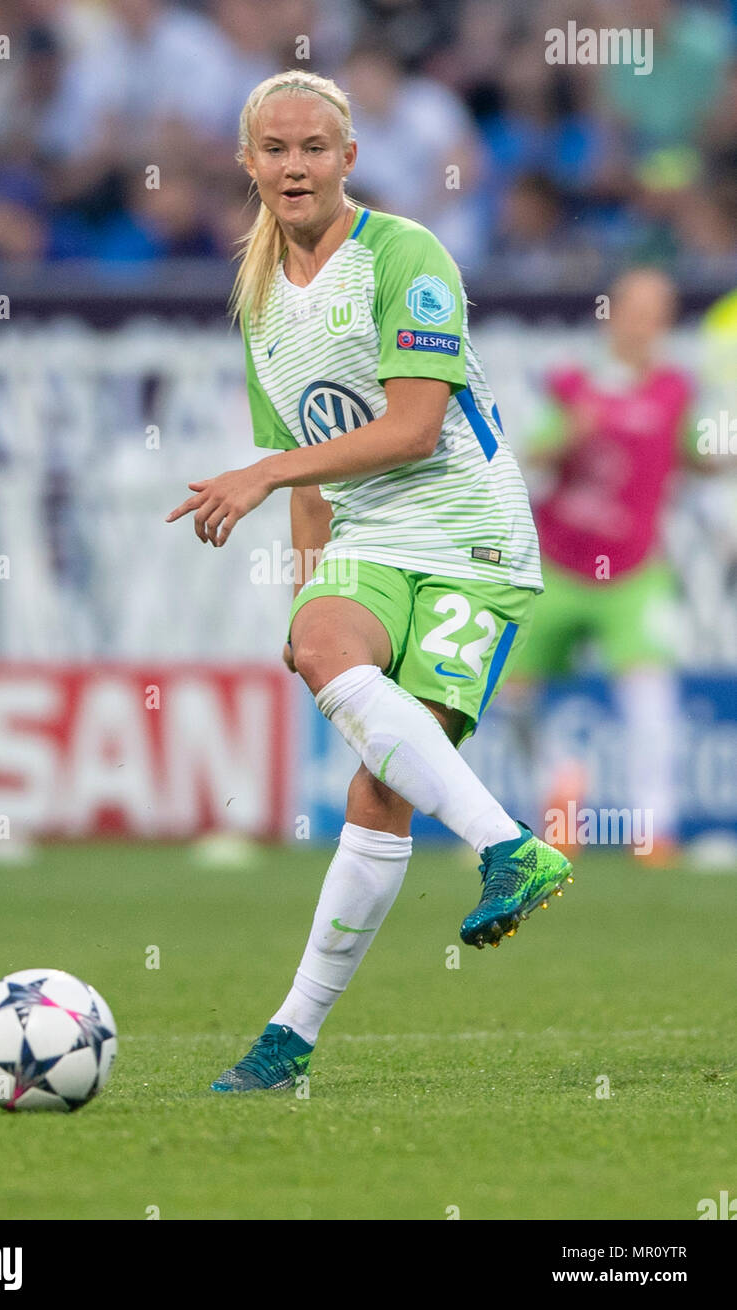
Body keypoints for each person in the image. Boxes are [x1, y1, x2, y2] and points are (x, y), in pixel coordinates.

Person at [167, 71, 573, 1093]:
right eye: (275, 148)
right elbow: (307, 462)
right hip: (364, 534)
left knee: (382, 786)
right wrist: (304, 599)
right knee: (322, 650)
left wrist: (260, 472)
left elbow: (411, 427)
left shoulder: (405, 255)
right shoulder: (257, 299)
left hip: (469, 533)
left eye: (313, 147)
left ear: (347, 159)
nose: (294, 165)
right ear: (247, 163)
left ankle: (289, 1036)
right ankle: (509, 847)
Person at [509, 268, 707, 860]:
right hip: (560, 561)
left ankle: (654, 828)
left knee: (650, 689)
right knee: (510, 693)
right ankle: (557, 784)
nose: (648, 323)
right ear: (613, 313)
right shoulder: (574, 383)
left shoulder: (676, 391)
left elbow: (696, 455)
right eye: (638, 309)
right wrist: (571, 434)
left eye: (659, 311)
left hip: (634, 568)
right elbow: (533, 455)